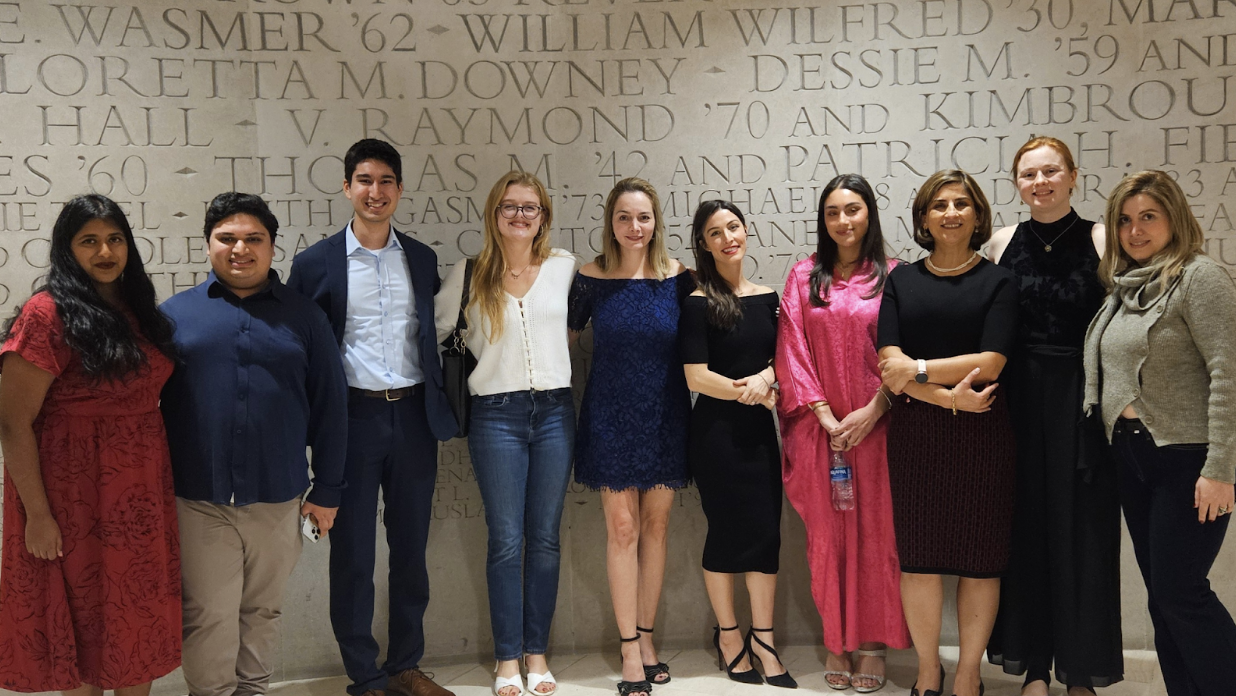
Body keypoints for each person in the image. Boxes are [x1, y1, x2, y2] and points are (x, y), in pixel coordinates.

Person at [287, 139, 458, 696]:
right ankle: (366, 675)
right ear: (347, 187)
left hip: (413, 419)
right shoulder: (313, 264)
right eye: (364, 180)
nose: (375, 192)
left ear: (400, 190)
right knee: (353, 554)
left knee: (411, 549)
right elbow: (301, 352)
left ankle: (406, 663)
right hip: (351, 423)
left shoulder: (423, 259)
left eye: (386, 181)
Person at [160, 192, 347, 696]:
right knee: (208, 612)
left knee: (262, 609)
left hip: (279, 496)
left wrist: (328, 489)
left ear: (271, 247)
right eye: (227, 238)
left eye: (253, 239)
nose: (240, 248)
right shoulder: (173, 317)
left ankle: (253, 690)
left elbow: (331, 404)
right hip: (199, 497)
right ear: (207, 245)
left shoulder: (305, 317)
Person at [0, 194, 181, 695]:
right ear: (67, 249)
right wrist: (38, 515)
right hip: (71, 497)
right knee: (81, 637)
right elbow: (13, 424)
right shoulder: (46, 313)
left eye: (115, 239)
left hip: (140, 497)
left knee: (133, 631)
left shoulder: (138, 309)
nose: (105, 251)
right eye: (90, 241)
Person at [1083, 170, 1236, 696]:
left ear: (1175, 216)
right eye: (1125, 220)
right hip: (1133, 456)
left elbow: (1229, 372)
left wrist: (1220, 469)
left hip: (1187, 460)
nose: (1136, 230)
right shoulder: (1125, 290)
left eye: (1148, 216)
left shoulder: (1200, 277)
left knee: (1181, 595)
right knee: (1162, 598)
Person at [984, 137, 1123, 696]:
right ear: (1017, 183)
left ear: (1072, 176)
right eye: (1028, 174)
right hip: (1016, 400)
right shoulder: (998, 244)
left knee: (1084, 533)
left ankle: (1080, 669)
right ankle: (1035, 666)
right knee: (1026, 529)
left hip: (1083, 400)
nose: (1039, 182)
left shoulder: (1103, 239)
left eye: (1050, 171)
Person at [876, 170, 1018, 696]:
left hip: (984, 435)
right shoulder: (901, 281)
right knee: (919, 562)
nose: (951, 213)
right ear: (923, 218)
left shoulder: (1000, 282)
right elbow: (887, 362)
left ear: (978, 215)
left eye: (961, 204)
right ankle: (929, 671)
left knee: (981, 563)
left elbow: (992, 359)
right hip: (916, 437)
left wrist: (918, 370)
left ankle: (967, 675)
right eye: (939, 205)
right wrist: (944, 395)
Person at [434, 171, 575, 696]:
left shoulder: (563, 268)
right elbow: (437, 333)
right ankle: (507, 659)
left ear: (544, 217)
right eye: (509, 207)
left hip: (557, 414)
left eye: (530, 208)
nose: (520, 215)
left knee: (544, 539)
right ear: (494, 215)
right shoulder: (468, 274)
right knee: (507, 541)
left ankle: (538, 653)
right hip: (496, 417)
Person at [776, 175, 910, 693]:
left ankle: (872, 643)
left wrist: (874, 409)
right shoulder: (805, 276)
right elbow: (791, 347)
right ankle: (836, 640)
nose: (843, 221)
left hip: (880, 432)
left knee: (879, 535)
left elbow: (901, 349)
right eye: (833, 212)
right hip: (820, 435)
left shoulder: (893, 277)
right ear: (823, 220)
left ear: (870, 215)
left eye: (853, 210)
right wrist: (827, 417)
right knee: (827, 542)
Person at [567, 177, 693, 696]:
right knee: (622, 530)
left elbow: (704, 341)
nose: (634, 227)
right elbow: (563, 343)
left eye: (643, 217)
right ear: (610, 223)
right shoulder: (589, 277)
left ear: (656, 221)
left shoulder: (679, 278)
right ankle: (627, 648)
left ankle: (647, 638)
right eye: (624, 217)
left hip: (666, 413)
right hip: (610, 415)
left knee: (656, 529)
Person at [680, 200, 795, 689]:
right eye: (715, 232)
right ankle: (729, 636)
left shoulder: (770, 297)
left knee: (766, 533)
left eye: (734, 227)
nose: (728, 237)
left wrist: (764, 378)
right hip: (715, 436)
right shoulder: (697, 302)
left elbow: (785, 356)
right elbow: (696, 376)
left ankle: (764, 641)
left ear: (746, 232)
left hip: (759, 435)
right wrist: (748, 390)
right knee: (726, 534)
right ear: (703, 244)